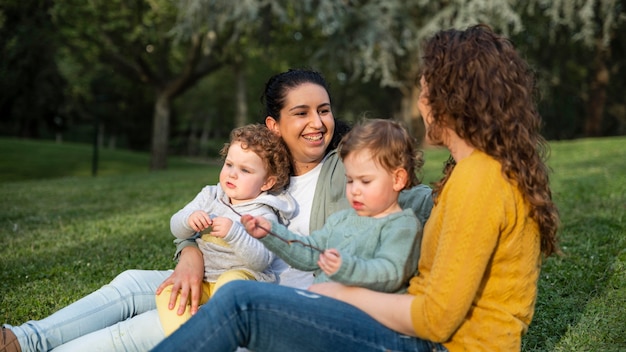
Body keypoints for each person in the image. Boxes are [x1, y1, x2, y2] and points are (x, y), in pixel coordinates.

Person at [150, 25, 560, 352]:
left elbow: (437, 318)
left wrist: (343, 295)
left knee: (239, 304)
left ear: (453, 98)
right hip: (413, 331)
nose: (420, 102)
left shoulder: (481, 180)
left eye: (424, 89)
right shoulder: (477, 172)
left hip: (434, 345)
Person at [1, 68, 433, 352]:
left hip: (267, 294)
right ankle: (22, 339)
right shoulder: (263, 172)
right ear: (273, 125)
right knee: (132, 283)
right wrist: (189, 252)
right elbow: (204, 216)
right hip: (218, 272)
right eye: (301, 112)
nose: (318, 123)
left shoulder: (346, 171)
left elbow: (402, 189)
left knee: (149, 325)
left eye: (324, 110)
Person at [243, 118, 423, 293]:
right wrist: (272, 233)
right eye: (350, 180)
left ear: (398, 179)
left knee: (238, 295)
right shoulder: (342, 219)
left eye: (365, 181)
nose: (355, 190)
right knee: (241, 293)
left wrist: (345, 267)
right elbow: (310, 252)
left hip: (360, 316)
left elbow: (391, 273)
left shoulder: (402, 226)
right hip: (322, 303)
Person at [156, 124, 296, 336]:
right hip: (205, 279)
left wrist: (235, 233)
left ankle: (215, 338)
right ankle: (186, 342)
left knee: (230, 285)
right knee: (168, 293)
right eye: (229, 164)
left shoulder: (265, 214)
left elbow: (261, 260)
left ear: (267, 182)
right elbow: (176, 227)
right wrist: (189, 220)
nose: (232, 174)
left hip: (244, 278)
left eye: (245, 170)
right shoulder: (210, 195)